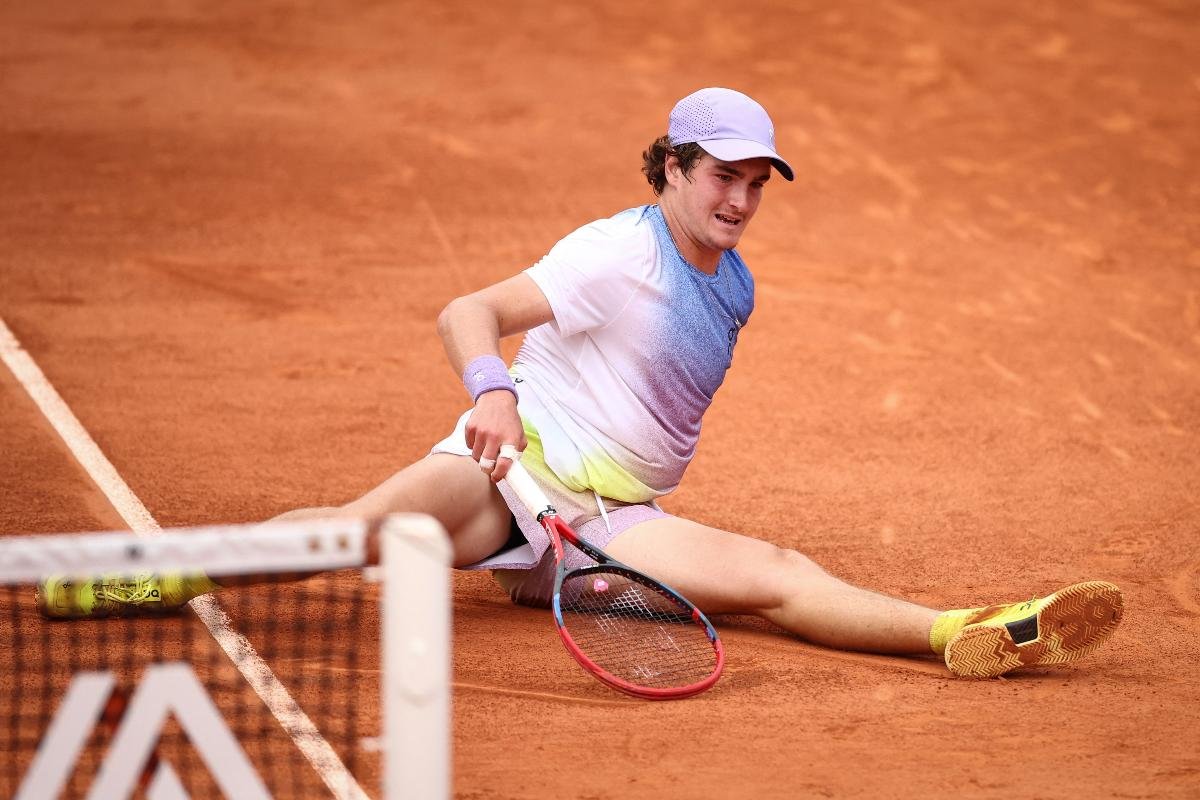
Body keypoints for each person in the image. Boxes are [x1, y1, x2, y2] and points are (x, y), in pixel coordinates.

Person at [38, 88, 1123, 679]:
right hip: (509, 466)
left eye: (757, 180)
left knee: (779, 577)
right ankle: (151, 572)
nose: (741, 197)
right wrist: (493, 392)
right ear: (670, 172)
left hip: (606, 518)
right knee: (352, 536)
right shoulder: (618, 251)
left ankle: (972, 631)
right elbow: (469, 310)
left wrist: (588, 527)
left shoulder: (733, 283)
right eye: (721, 175)